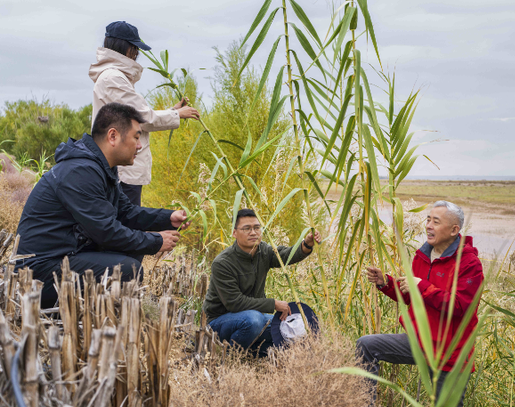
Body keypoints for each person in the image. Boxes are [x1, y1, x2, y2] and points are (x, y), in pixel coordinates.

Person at [15, 103, 189, 308]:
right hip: (38, 272)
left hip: (65, 255)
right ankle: (76, 317)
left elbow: (125, 212)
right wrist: (156, 241)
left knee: (132, 251)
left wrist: (167, 218)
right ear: (113, 136)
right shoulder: (80, 171)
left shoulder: (100, 168)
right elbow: (106, 231)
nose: (140, 145)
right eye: (136, 137)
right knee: (127, 270)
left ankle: (94, 312)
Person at [356, 201, 484, 407]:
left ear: (455, 230)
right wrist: (387, 283)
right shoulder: (423, 256)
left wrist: (422, 286)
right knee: (366, 345)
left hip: (450, 354)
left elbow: (460, 307)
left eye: (436, 221)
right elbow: (412, 297)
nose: (429, 226)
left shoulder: (469, 265)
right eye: (428, 219)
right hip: (419, 342)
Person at [89, 20, 200, 206]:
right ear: (127, 48)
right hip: (122, 168)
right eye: (135, 49)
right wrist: (177, 115)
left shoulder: (114, 77)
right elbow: (141, 118)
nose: (137, 54)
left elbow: (134, 114)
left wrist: (172, 110)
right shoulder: (113, 78)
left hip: (122, 166)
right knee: (127, 222)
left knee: (125, 221)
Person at [203, 209, 322, 357]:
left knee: (288, 328)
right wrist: (273, 304)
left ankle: (255, 353)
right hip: (220, 322)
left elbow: (285, 255)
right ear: (234, 233)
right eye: (246, 228)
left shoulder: (263, 251)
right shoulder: (223, 263)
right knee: (254, 320)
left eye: (257, 227)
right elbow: (234, 303)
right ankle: (228, 355)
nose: (253, 232)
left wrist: (306, 244)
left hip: (252, 319)